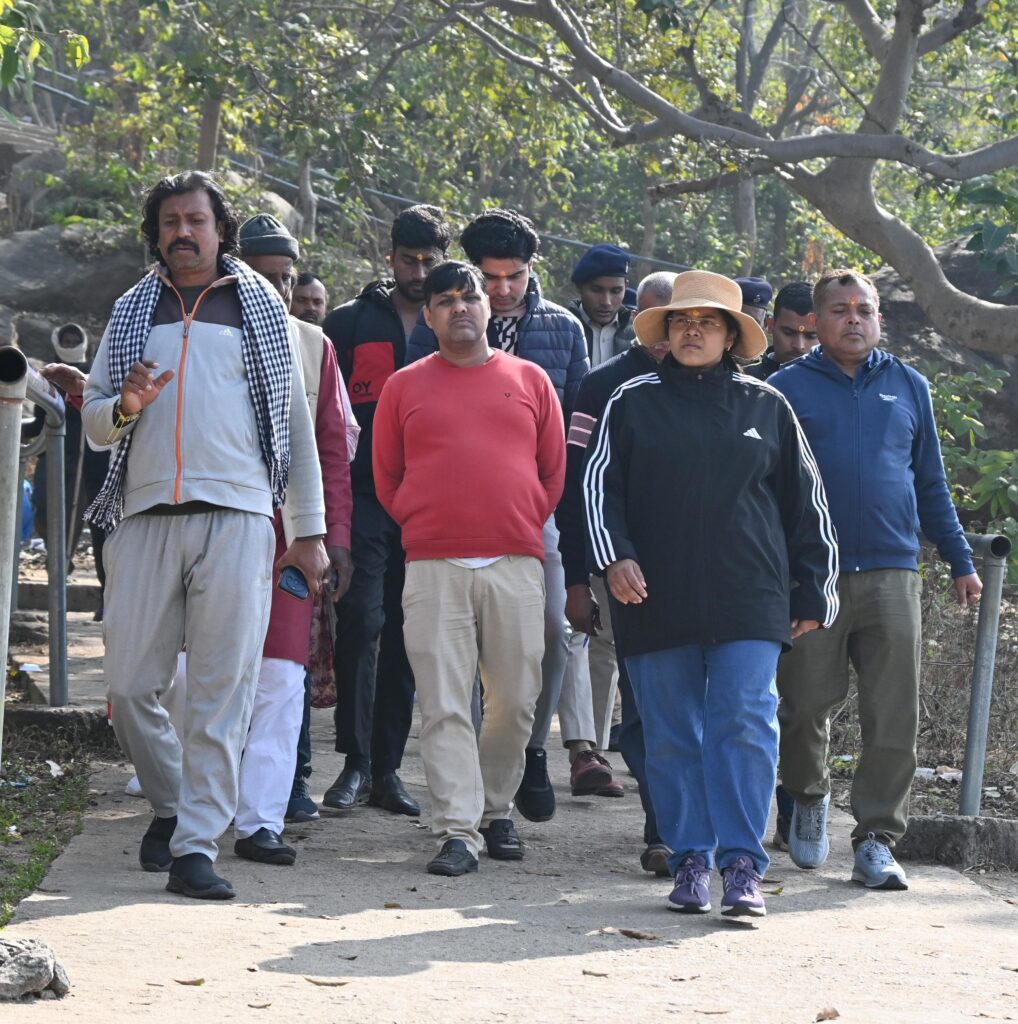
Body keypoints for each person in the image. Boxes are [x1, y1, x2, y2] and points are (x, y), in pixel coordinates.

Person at [82, 171, 328, 900]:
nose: (182, 232)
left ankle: (195, 848)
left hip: (240, 517)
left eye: (196, 219)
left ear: (222, 231)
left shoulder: (262, 310)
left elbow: (295, 430)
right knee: (130, 688)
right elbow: (95, 424)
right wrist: (125, 405)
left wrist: (308, 531)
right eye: (170, 222)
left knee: (224, 692)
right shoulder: (132, 309)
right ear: (156, 234)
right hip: (143, 517)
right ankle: (171, 804)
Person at [583, 270, 839, 917]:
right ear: (665, 333)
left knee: (745, 723)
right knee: (671, 733)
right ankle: (691, 858)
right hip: (652, 596)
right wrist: (614, 557)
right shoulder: (632, 400)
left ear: (731, 336)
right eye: (680, 321)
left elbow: (807, 504)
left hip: (750, 596)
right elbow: (597, 490)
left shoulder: (767, 406)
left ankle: (743, 865)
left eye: (706, 322)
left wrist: (815, 589)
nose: (691, 331)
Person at [771, 269, 981, 891]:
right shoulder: (783, 390)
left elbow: (931, 482)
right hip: (814, 575)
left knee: (893, 714)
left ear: (879, 319)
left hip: (893, 572)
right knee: (803, 705)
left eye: (864, 309)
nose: (853, 319)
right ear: (816, 322)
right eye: (840, 310)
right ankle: (808, 797)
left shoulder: (909, 385)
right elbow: (762, 486)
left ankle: (876, 839)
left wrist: (961, 559)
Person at [373, 261, 565, 876]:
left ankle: (496, 809)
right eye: (445, 300)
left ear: (488, 306)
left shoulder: (531, 379)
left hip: (515, 559)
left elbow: (552, 471)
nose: (460, 307)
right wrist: (423, 518)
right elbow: (386, 476)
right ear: (428, 317)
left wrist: (521, 515)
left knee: (516, 700)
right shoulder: (403, 387)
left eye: (469, 296)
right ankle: (458, 828)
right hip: (433, 563)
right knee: (444, 703)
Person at [406, 208, 588, 823]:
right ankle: (465, 811)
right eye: (492, 277)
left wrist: (539, 508)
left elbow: (572, 434)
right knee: (449, 676)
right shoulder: (436, 327)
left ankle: (527, 753)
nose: (503, 289)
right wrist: (416, 510)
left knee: (546, 641)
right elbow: (398, 445)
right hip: (442, 529)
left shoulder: (561, 329)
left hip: (533, 518)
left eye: (515, 277)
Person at [227, 214, 353, 865]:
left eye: (285, 278)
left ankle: (260, 822)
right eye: (263, 276)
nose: (276, 290)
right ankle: (190, 810)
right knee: (202, 676)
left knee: (281, 678)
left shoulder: (313, 345)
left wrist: (333, 537)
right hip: (211, 530)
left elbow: (330, 450)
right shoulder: (199, 330)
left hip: (290, 540)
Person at [320, 204, 452, 817]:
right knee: (361, 621)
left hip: (428, 503)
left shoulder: (453, 323)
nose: (418, 272)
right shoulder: (349, 323)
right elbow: (328, 420)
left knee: (406, 631)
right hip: (364, 499)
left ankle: (388, 770)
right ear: (390, 256)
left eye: (429, 261)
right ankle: (355, 762)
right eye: (408, 260)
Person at [558, 271, 677, 874]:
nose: (670, 335)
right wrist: (578, 575)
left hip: (702, 574)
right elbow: (576, 482)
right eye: (658, 321)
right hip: (622, 569)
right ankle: (662, 828)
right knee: (642, 699)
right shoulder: (603, 385)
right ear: (638, 319)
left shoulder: (728, 388)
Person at [27, 324, 111, 618]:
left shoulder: (95, 372)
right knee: (45, 510)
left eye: (76, 339)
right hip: (56, 455)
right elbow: (39, 422)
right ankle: (60, 561)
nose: (72, 343)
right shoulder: (47, 375)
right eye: (67, 340)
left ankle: (107, 597)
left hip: (93, 459)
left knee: (101, 530)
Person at [567, 243, 635, 366]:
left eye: (616, 291)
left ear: (626, 287)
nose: (606, 302)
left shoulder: (639, 333)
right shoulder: (561, 328)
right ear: (579, 286)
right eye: (596, 290)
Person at [746, 281, 817, 381]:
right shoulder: (744, 381)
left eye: (811, 336)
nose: (799, 345)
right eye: (788, 333)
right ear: (771, 325)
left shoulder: (834, 383)